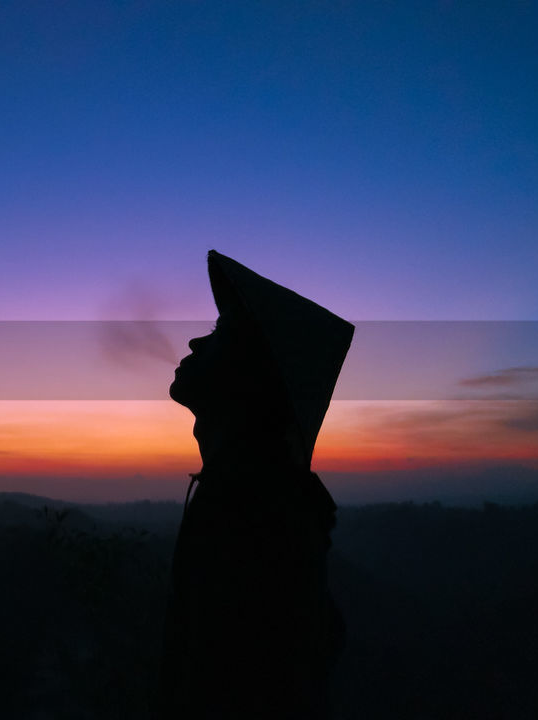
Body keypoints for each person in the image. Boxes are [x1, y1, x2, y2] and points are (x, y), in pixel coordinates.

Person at [160, 250, 353, 718]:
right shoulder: (257, 495)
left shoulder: (255, 513)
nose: (193, 341)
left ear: (253, 377)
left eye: (219, 334)